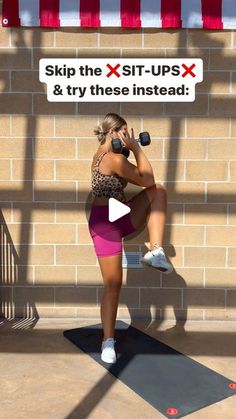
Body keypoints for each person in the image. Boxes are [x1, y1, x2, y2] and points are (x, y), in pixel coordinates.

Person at [88, 113, 173, 364]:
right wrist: (136, 148)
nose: (128, 137)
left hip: (121, 214)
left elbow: (150, 185)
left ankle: (156, 251)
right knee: (113, 284)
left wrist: (130, 148)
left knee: (158, 193)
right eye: (124, 133)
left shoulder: (114, 156)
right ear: (113, 133)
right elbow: (147, 177)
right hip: (104, 224)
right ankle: (108, 340)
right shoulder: (112, 159)